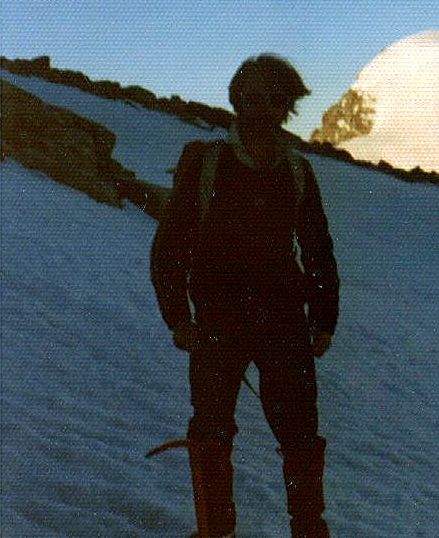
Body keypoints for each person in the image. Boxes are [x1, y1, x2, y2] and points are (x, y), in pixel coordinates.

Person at [151, 54, 339, 538]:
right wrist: (178, 318)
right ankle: (217, 530)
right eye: (252, 98)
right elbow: (171, 244)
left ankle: (306, 530)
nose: (261, 109)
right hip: (218, 321)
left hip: (283, 324)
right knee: (213, 430)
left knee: (298, 434)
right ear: (236, 100)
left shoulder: (297, 172)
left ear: (286, 107)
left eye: (272, 99)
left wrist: (323, 321)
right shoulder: (205, 162)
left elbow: (318, 250)